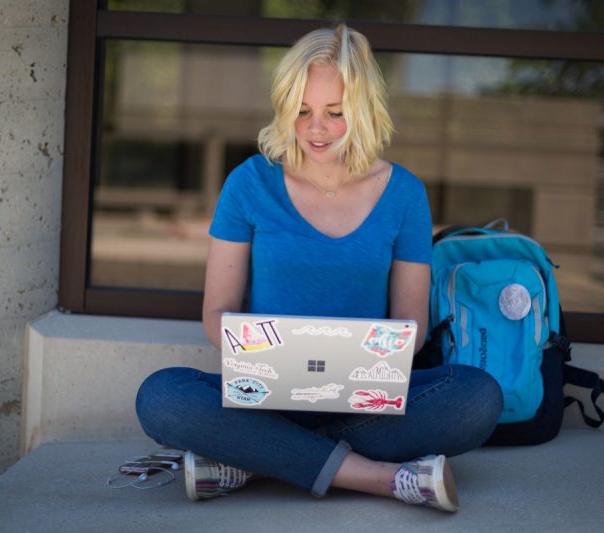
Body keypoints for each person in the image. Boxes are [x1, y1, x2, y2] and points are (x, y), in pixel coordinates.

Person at [135, 24, 502, 512]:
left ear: (365, 109)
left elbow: (411, 328)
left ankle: (248, 458)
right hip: (264, 395)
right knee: (161, 397)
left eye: (335, 113)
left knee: (477, 398)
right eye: (301, 111)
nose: (315, 129)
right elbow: (215, 315)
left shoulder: (405, 194)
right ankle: (380, 477)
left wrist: (361, 358)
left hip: (364, 401)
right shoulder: (249, 184)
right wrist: (270, 351)